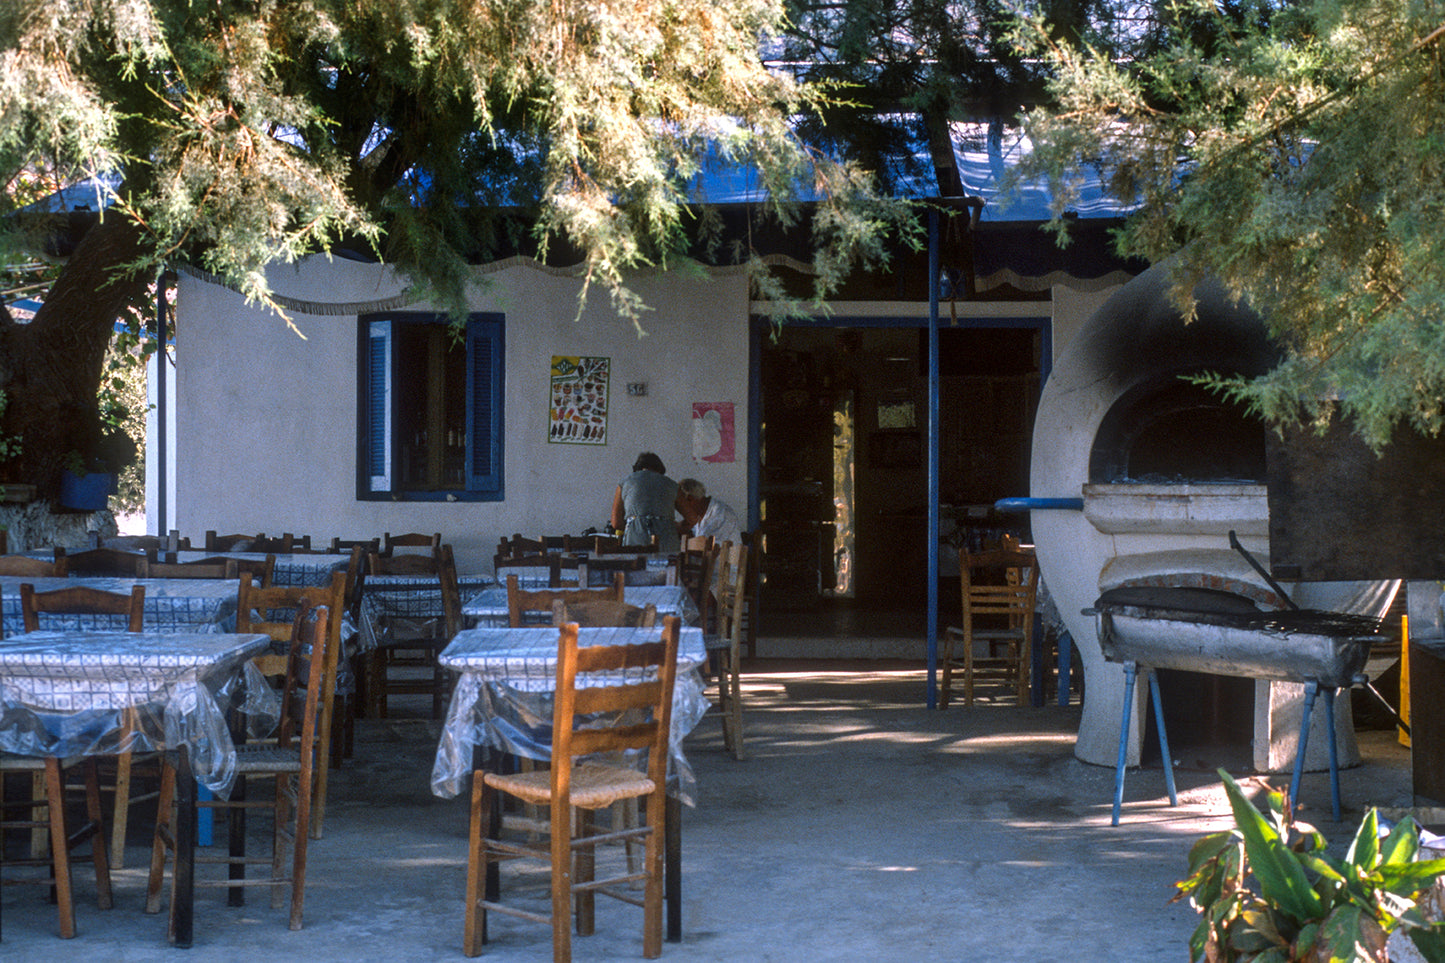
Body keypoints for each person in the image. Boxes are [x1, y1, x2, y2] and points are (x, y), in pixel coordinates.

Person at [610, 452, 680, 552]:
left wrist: (635, 523)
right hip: (667, 542)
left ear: (637, 469)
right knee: (666, 566)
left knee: (637, 566)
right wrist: (672, 524)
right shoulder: (671, 484)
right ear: (660, 469)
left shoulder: (625, 483)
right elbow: (692, 518)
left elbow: (616, 523)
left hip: (635, 542)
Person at [675, 477, 743, 546]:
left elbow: (710, 549)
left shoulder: (721, 513)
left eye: (680, 507)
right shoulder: (700, 515)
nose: (681, 512)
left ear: (690, 500)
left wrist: (684, 544)